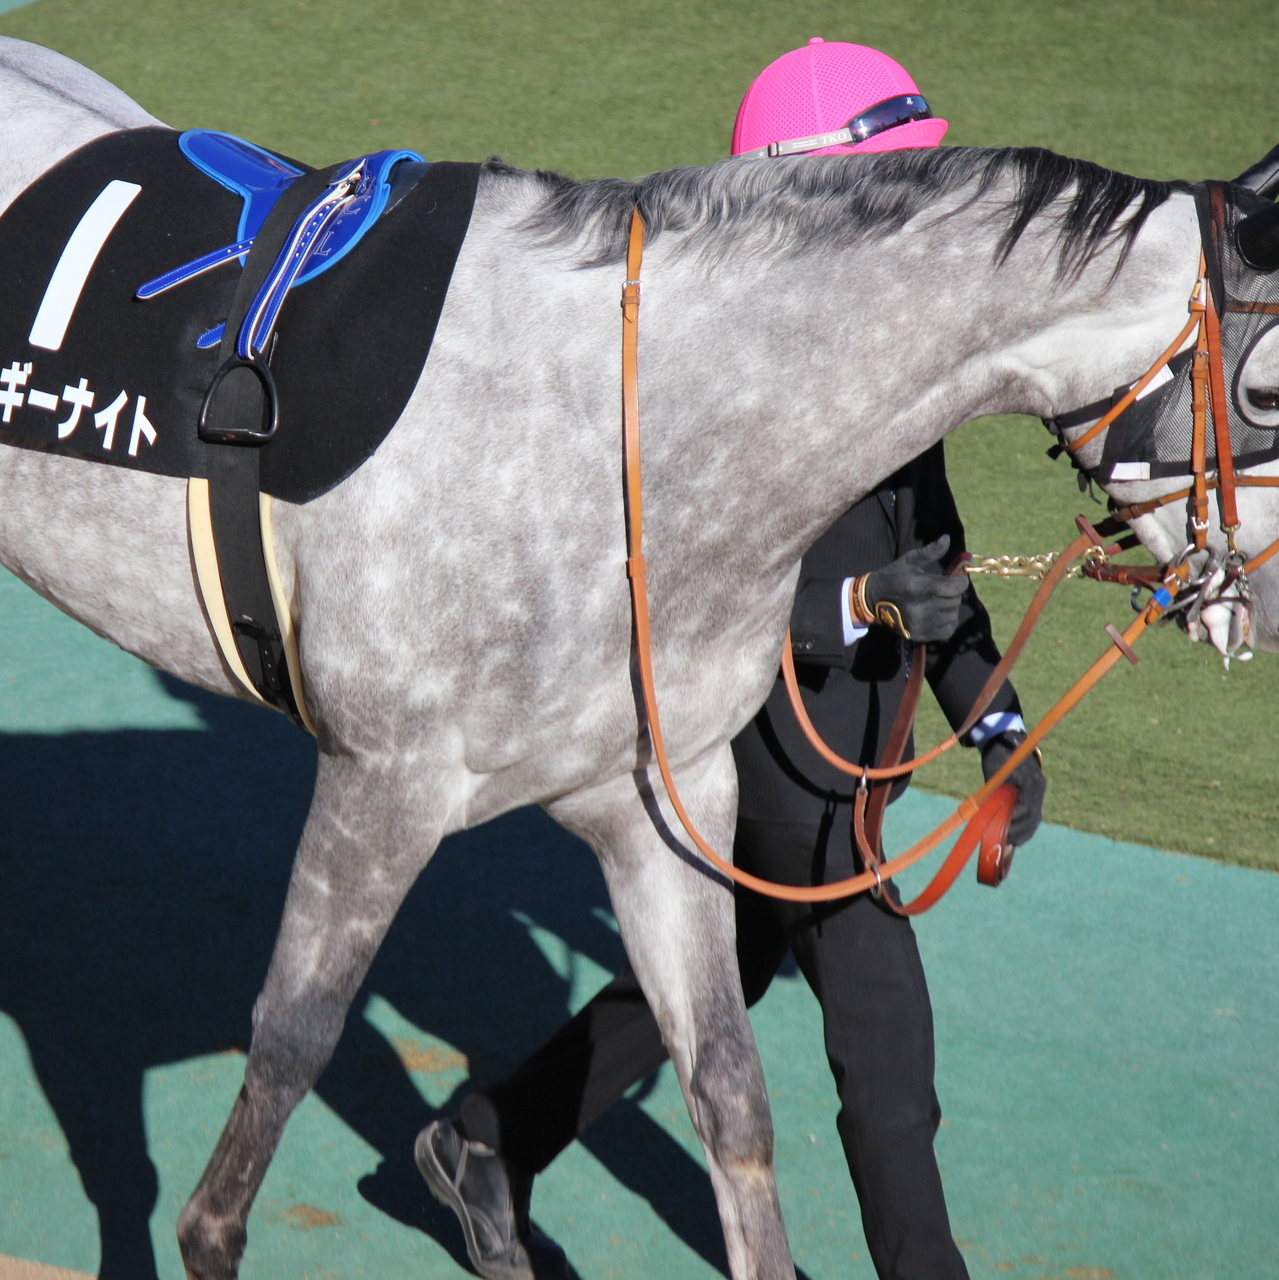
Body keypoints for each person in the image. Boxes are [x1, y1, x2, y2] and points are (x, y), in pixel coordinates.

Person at [413, 40, 1049, 1280]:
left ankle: (485, 1138)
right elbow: (681, 593)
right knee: (887, 1051)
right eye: (893, 180)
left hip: (844, 779)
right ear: (807, 193)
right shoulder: (731, 381)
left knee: (718, 972)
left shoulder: (895, 357)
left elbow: (946, 585)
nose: (917, 206)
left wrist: (999, 733)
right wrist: (857, 603)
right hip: (769, 765)